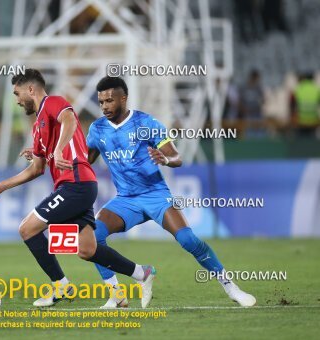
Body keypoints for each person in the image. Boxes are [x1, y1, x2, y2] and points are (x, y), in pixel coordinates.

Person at [0, 69, 155, 308]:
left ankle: (61, 286)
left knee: (27, 229)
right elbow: (36, 169)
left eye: (17, 93)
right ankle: (141, 274)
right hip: (78, 187)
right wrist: (1, 186)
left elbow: (70, 120)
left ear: (31, 89)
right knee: (87, 249)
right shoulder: (38, 127)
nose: (17, 100)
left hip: (76, 184)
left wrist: (60, 149)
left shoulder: (53, 102)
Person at [85, 76, 256, 308]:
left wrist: (165, 158)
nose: (104, 106)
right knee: (93, 238)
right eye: (101, 102)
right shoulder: (97, 129)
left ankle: (231, 287)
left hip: (156, 195)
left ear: (123, 98)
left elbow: (177, 157)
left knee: (188, 239)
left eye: (109, 100)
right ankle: (116, 294)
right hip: (125, 200)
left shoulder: (146, 123)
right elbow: (85, 162)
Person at [290, 72, 320, 137]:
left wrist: (293, 118)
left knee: (301, 141)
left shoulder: (297, 89)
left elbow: (292, 105)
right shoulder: (317, 90)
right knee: (311, 141)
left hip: (300, 121)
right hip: (313, 121)